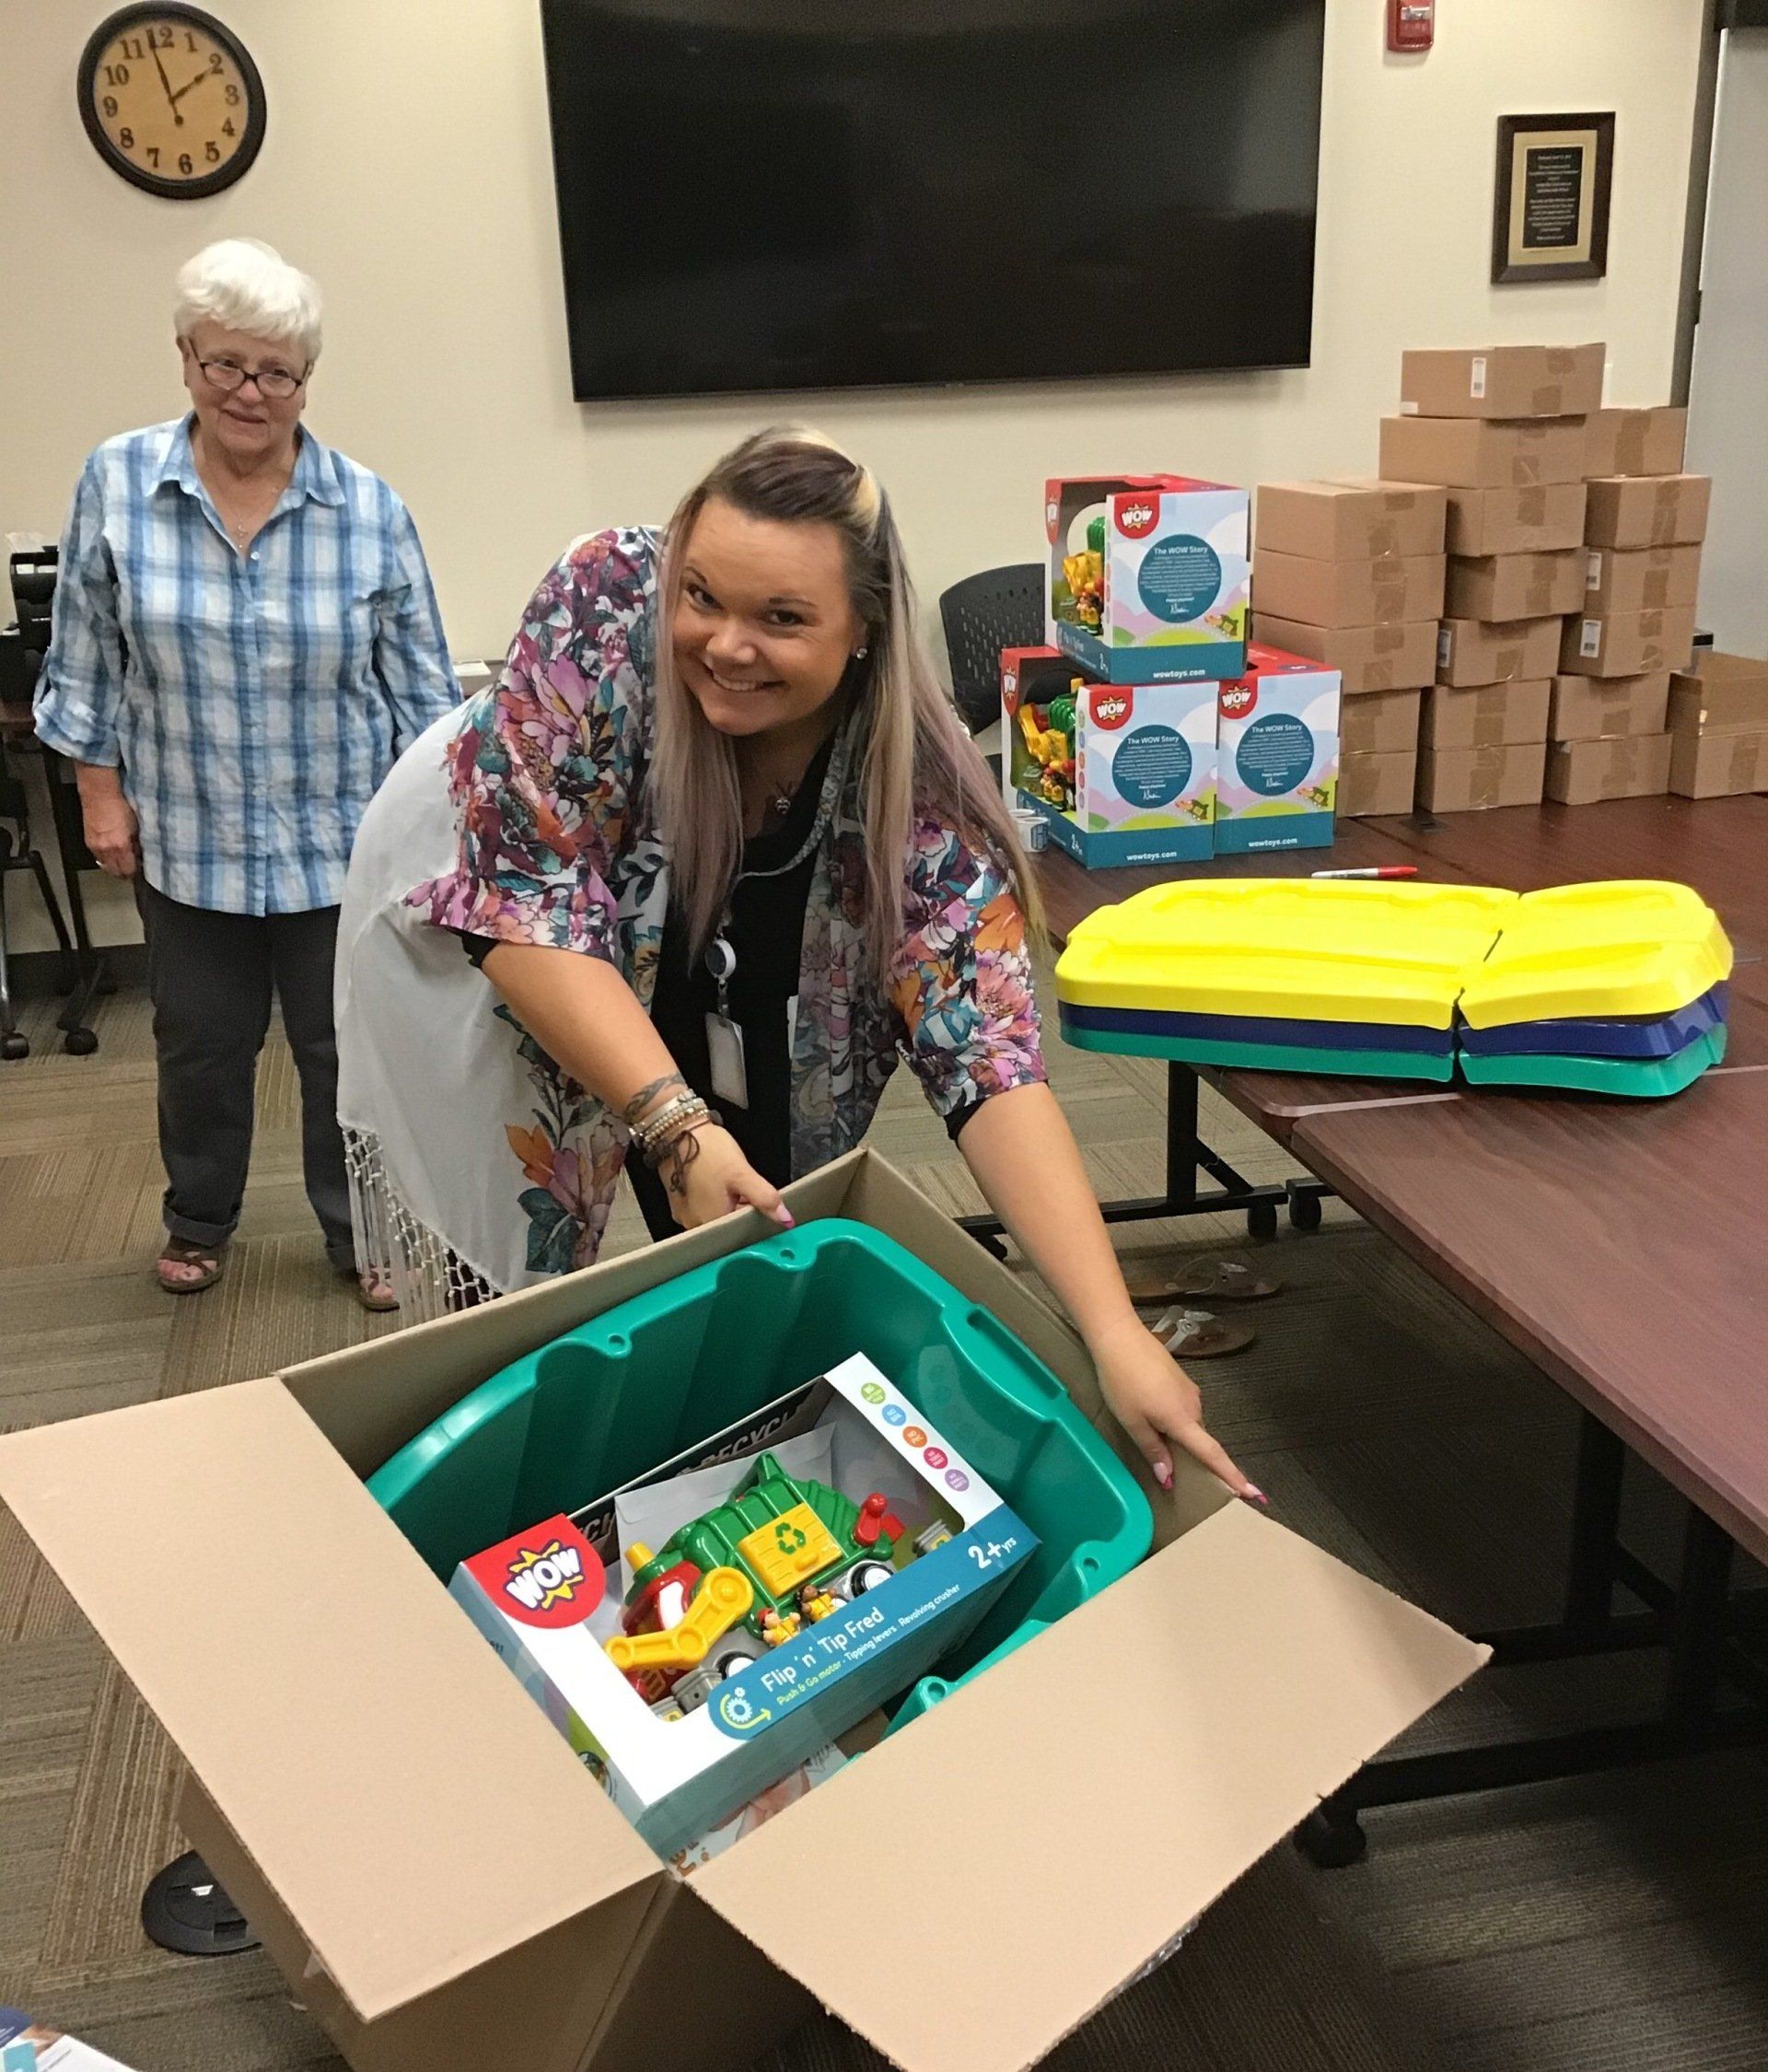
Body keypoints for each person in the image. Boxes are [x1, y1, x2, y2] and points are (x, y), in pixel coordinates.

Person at [337, 428, 1260, 1499]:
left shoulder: (924, 813)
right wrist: (677, 1127)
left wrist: (1113, 1329)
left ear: (865, 630)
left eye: (782, 618)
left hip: (741, 944)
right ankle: (490, 1494)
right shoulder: (599, 602)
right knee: (517, 1257)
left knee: (764, 1196)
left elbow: (990, 1065)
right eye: (701, 597)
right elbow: (527, 908)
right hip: (489, 903)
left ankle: (714, 1465)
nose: (727, 646)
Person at [32, 238, 458, 1305]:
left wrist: (436, 846)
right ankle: (199, 1219)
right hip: (189, 833)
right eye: (226, 364)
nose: (249, 392)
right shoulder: (119, 481)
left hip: (341, 845)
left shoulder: (369, 508)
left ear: (306, 380)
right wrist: (98, 792)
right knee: (200, 1050)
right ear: (186, 358)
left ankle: (360, 1232)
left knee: (346, 1056)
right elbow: (86, 651)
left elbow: (420, 697)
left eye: (276, 371)